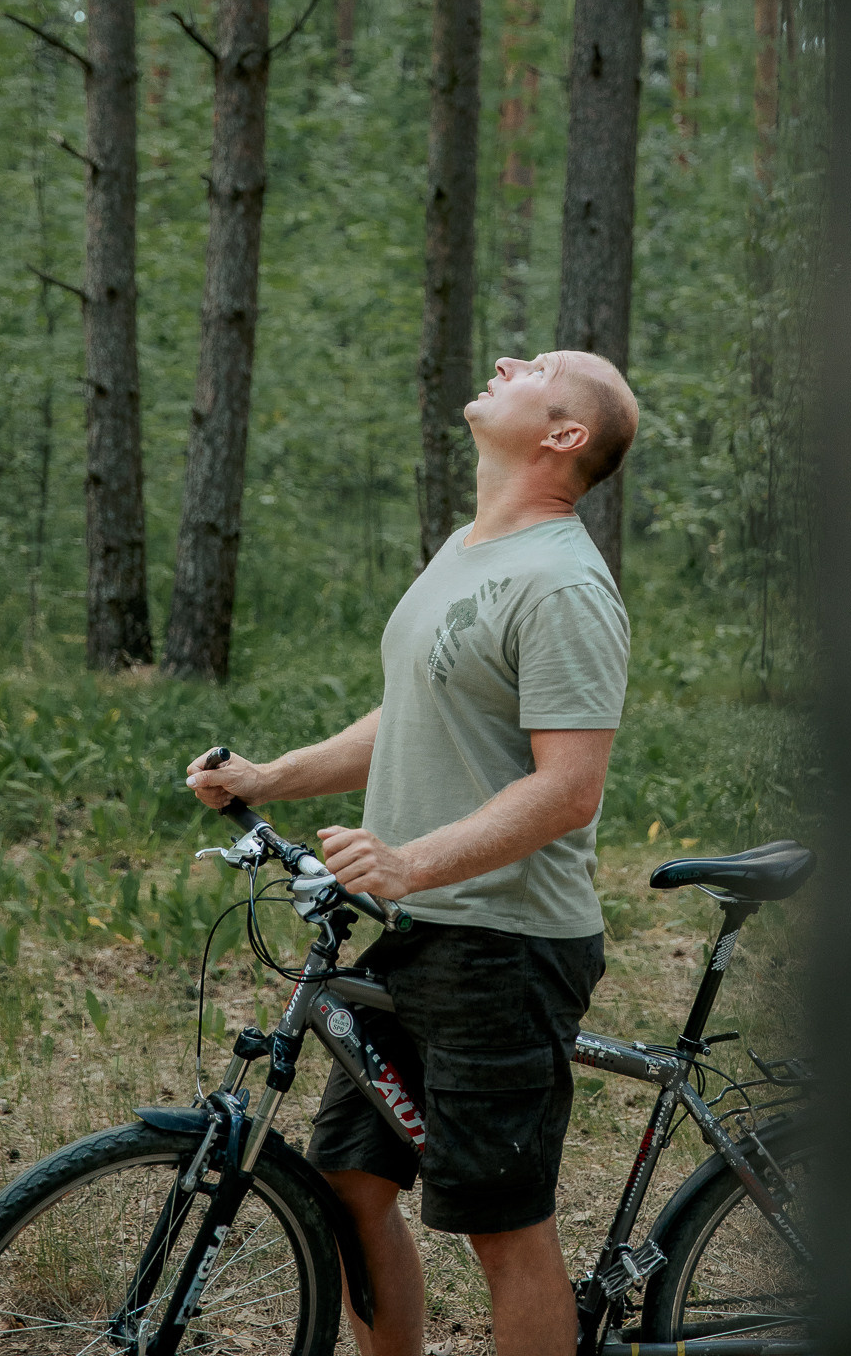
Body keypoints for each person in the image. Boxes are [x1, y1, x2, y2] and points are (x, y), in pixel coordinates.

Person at [186, 349, 639, 1356]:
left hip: (502, 943)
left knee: (499, 1227)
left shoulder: (563, 585)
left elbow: (569, 789)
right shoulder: (466, 550)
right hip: (414, 929)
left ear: (561, 436)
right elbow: (412, 715)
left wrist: (409, 862)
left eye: (540, 367)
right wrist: (268, 776)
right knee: (348, 1189)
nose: (507, 360)